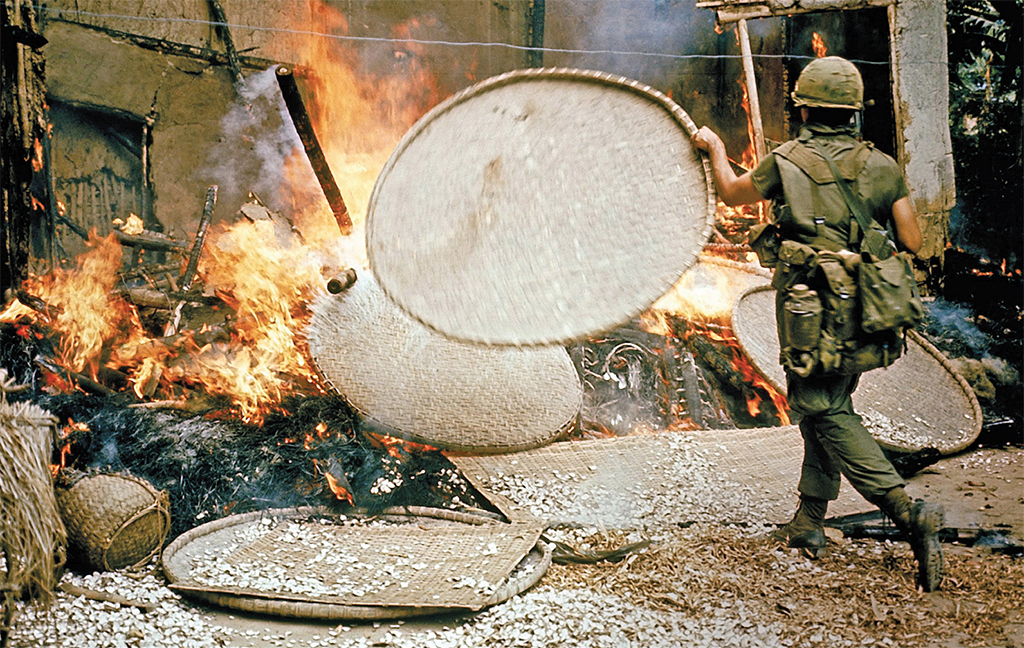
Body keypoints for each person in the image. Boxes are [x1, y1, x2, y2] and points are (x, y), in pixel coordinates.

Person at [690, 56, 944, 591]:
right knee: (830, 403)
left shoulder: (787, 159)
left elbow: (734, 194)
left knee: (819, 406)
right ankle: (809, 522)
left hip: (812, 310)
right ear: (854, 112)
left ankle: (906, 510)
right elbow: (913, 242)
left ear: (803, 107)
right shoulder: (882, 165)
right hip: (867, 310)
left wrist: (714, 149)